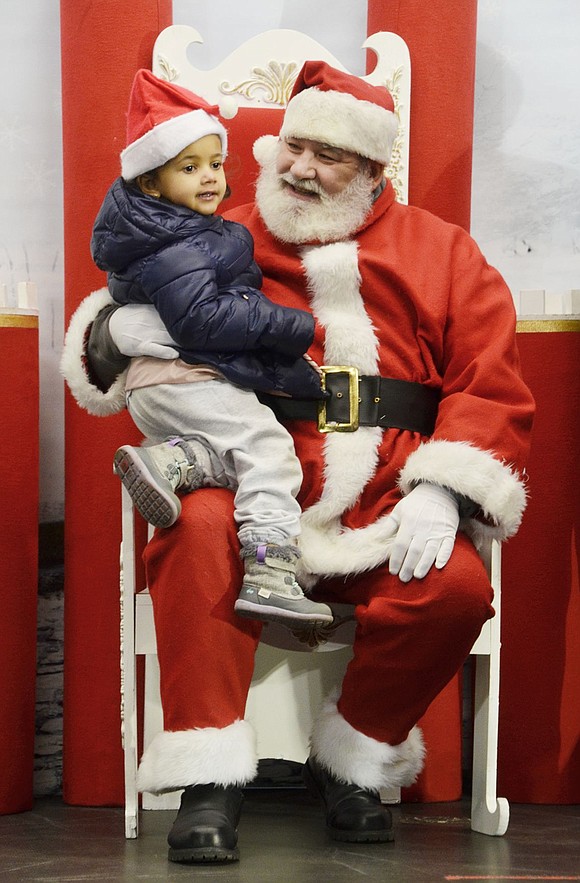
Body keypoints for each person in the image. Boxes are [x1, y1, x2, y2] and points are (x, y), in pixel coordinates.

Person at [61, 60, 535, 864]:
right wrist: (107, 338)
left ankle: (353, 758)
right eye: (292, 146)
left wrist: (445, 492)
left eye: (327, 154)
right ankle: (210, 774)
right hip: (248, 477)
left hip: (385, 497)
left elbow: (489, 379)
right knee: (191, 523)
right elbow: (124, 306)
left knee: (455, 589)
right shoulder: (222, 231)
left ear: (374, 167)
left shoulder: (445, 253)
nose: (299, 167)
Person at [90, 69, 333, 631]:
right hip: (189, 376)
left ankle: (173, 460)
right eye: (189, 167)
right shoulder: (184, 240)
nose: (210, 179)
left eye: (216, 164)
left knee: (239, 453)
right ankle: (271, 572)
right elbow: (200, 319)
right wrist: (286, 325)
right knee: (270, 452)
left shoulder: (165, 229)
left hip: (166, 386)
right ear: (151, 183)